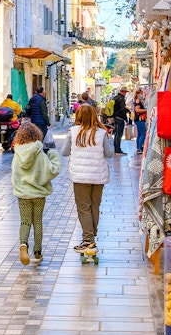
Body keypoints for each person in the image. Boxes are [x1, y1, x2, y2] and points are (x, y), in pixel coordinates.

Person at [61, 104, 113, 253]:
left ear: (78, 116)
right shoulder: (102, 132)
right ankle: (91, 237)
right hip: (98, 175)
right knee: (94, 206)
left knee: (83, 207)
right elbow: (109, 154)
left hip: (80, 176)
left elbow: (64, 153)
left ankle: (88, 240)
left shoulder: (72, 132)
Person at [11, 121, 61, 265]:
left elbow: (14, 174)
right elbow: (52, 170)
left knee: (25, 221)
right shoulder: (40, 153)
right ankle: (37, 253)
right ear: (37, 134)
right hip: (38, 194)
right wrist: (53, 155)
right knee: (37, 222)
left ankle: (23, 244)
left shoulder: (18, 153)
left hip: (23, 194)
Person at [112, 86, 130, 155]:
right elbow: (122, 110)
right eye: (125, 92)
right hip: (120, 118)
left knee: (116, 134)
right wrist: (126, 118)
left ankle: (116, 148)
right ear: (123, 92)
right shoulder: (121, 99)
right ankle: (118, 150)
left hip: (115, 117)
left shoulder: (115, 98)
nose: (125, 93)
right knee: (119, 134)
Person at [133, 89, 147, 154]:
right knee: (143, 134)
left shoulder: (138, 100)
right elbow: (137, 110)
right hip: (140, 119)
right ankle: (139, 148)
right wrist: (145, 110)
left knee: (139, 134)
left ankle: (139, 147)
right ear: (138, 94)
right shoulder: (138, 101)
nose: (142, 95)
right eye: (141, 94)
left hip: (138, 119)